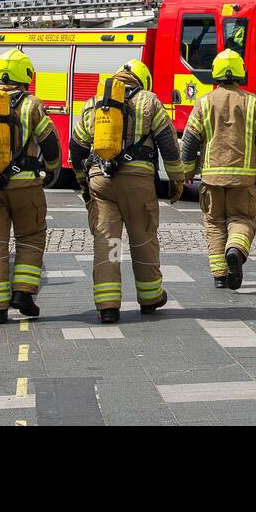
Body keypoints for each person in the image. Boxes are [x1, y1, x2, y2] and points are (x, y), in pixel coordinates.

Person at [67, 59, 186, 323]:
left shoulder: (94, 103)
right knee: (143, 238)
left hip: (101, 182)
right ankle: (150, 297)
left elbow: (76, 147)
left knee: (108, 242)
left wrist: (82, 180)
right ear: (142, 80)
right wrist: (177, 180)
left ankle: (108, 305)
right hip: (137, 183)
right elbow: (168, 146)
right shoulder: (150, 102)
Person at [0, 49, 61, 324]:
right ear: (26, 76)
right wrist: (53, 169)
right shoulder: (32, 105)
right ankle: (23, 293)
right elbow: (49, 143)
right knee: (30, 237)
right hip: (24, 185)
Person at [180, 48, 256, 289]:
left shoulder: (203, 103)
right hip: (242, 182)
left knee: (214, 224)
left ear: (215, 73)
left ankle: (220, 276)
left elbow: (190, 140)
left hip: (212, 179)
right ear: (240, 73)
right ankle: (235, 249)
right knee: (242, 219)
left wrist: (187, 172)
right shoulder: (253, 102)